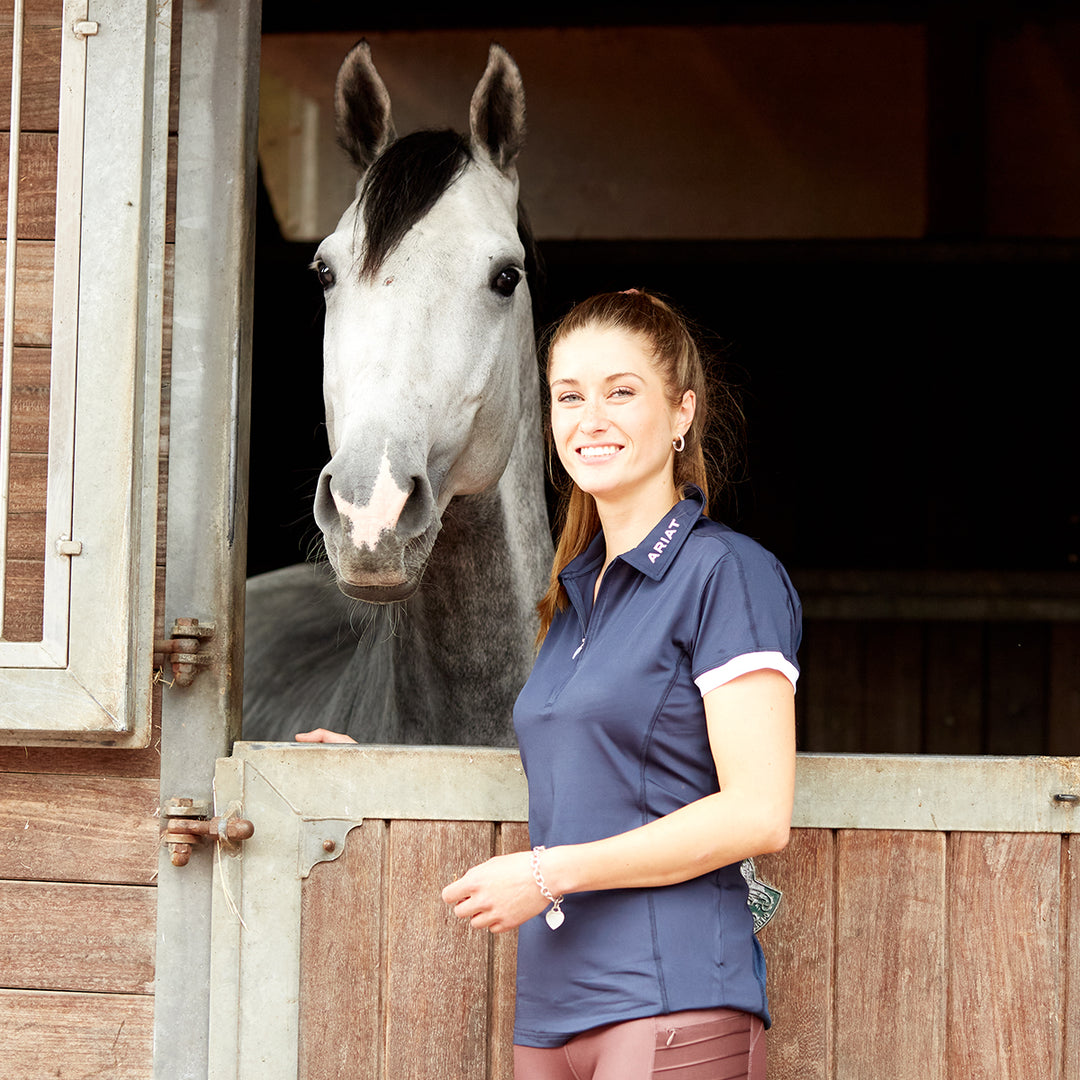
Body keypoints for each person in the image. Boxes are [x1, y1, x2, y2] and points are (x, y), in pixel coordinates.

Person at [439, 290, 801, 1080]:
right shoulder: (570, 597)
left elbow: (759, 812)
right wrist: (363, 756)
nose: (589, 418)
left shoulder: (726, 574)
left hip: (670, 999)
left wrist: (546, 873)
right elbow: (587, 769)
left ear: (681, 414)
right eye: (569, 397)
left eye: (621, 392)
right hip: (550, 1010)